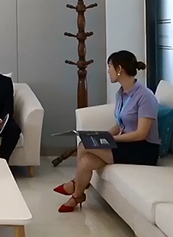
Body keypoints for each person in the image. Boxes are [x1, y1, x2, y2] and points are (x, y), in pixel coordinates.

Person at [53, 51, 160, 213]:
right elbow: (120, 124)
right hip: (127, 143)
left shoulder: (145, 96)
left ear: (119, 69)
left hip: (144, 149)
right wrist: (103, 135)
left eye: (109, 66)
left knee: (84, 145)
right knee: (86, 160)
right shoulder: (121, 94)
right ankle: (78, 195)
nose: (108, 71)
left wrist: (113, 139)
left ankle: (76, 185)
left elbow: (141, 134)